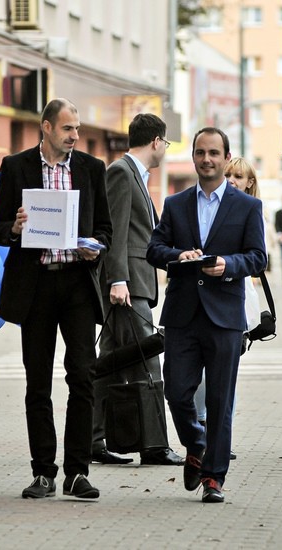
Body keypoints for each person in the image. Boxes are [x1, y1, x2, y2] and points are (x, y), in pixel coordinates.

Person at [0, 98, 112, 500]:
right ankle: (43, 472)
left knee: (82, 375)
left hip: (76, 283)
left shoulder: (91, 170)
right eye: (67, 129)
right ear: (45, 128)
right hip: (36, 285)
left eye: (76, 129)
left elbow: (105, 229)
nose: (75, 136)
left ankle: (77, 472)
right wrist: (16, 227)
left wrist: (97, 247)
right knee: (37, 382)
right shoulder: (16, 167)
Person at [146, 128, 266, 503]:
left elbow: (259, 257)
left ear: (226, 158)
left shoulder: (247, 207)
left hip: (225, 316)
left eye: (214, 153)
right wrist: (175, 256)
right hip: (183, 314)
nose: (207, 159)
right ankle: (197, 442)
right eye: (201, 153)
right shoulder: (176, 203)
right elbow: (154, 248)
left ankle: (214, 476)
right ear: (194, 157)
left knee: (219, 400)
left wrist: (229, 265)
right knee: (178, 391)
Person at [92, 113, 184, 467]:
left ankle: (92, 439)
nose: (164, 149)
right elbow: (113, 230)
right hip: (127, 286)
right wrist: (117, 280)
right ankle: (155, 445)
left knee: (110, 364)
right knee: (148, 359)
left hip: (133, 283)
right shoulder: (121, 172)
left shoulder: (136, 176)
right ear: (157, 141)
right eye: (166, 143)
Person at [193, 156, 263, 460]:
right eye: (230, 174)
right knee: (200, 375)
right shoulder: (209, 204)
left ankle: (220, 437)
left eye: (239, 175)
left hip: (236, 297)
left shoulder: (251, 210)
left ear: (249, 182)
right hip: (202, 296)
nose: (233, 179)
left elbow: (258, 257)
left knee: (226, 375)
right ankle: (201, 429)